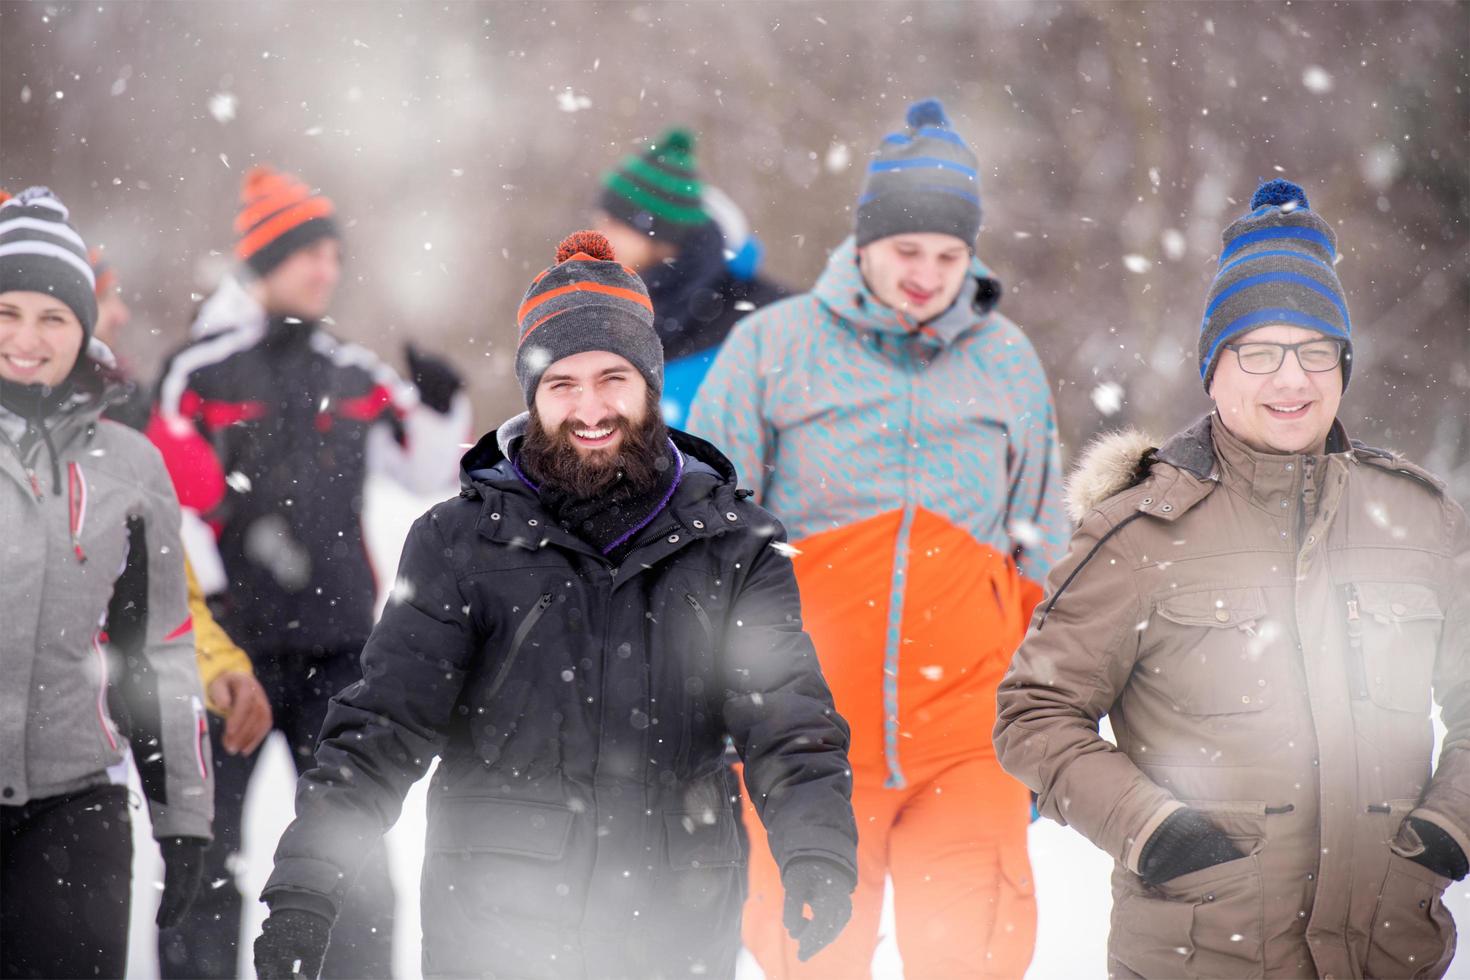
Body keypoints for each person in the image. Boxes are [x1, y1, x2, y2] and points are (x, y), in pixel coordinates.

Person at [251, 230, 858, 980]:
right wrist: (307, 886)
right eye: (561, 384)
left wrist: (817, 853)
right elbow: (381, 728)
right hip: (498, 932)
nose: (590, 407)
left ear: (650, 384)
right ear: (533, 395)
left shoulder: (735, 544)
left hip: (673, 931)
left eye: (613, 378)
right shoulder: (458, 542)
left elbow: (790, 726)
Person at [995, 178, 1468, 979]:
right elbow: (1034, 715)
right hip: (1204, 956)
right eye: (1260, 351)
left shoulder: (1419, 520)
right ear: (1214, 371)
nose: (1293, 380)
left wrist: (1450, 829)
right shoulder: (1137, 532)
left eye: (1317, 351)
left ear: (1344, 367)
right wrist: (1155, 831)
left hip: (1390, 952)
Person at [689, 99, 1068, 979]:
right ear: (862, 242)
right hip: (805, 731)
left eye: (949, 255)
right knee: (811, 954)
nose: (927, 275)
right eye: (906, 251)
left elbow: (1042, 538)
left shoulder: (1007, 359)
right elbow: (707, 532)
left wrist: (1045, 711)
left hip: (971, 733)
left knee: (971, 955)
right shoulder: (771, 348)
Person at [146, 164, 471, 978]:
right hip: (230, 653)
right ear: (262, 261)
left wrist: (444, 403)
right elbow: (163, 495)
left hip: (337, 652)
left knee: (351, 855)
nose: (326, 269)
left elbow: (429, 464)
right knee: (204, 852)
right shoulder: (200, 369)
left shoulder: (351, 369)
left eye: (333, 255)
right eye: (307, 254)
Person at [0, 186, 214, 977]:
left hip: (75, 814)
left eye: (52, 317)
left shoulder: (130, 467)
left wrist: (183, 818)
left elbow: (159, 648)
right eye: (6, 312)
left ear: (82, 330)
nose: (27, 338)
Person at [88, 247, 274, 757]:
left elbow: (166, 592)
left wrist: (221, 669)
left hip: (90, 741)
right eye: (106, 298)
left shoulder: (117, 412)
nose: (121, 313)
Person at [594, 128, 787, 428]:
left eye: (614, 224)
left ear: (657, 234)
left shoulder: (770, 321)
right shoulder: (624, 312)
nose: (598, 236)